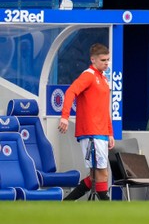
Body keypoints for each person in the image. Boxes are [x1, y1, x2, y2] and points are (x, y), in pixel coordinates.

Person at [59, 43, 115, 201]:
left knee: (94, 175)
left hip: (101, 131)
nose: (106, 63)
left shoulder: (102, 78)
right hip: (91, 131)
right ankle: (110, 209)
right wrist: (65, 116)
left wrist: (109, 132)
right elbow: (71, 91)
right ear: (93, 60)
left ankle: (65, 203)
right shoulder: (88, 75)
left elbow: (104, 108)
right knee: (102, 172)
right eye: (103, 60)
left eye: (108, 60)